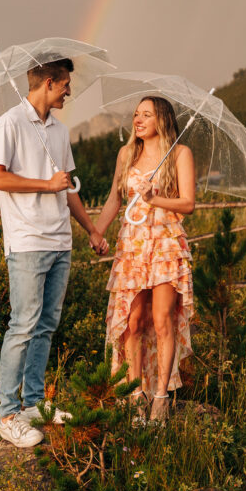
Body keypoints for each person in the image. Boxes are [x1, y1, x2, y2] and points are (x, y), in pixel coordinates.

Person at [0, 56, 109, 448]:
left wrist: (90, 229)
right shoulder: (9, 122)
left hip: (60, 242)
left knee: (45, 326)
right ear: (50, 82)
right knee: (22, 325)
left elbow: (68, 188)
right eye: (66, 84)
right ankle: (8, 414)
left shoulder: (59, 130)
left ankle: (35, 404)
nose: (70, 91)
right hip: (26, 241)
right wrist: (45, 184)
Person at [93, 96, 195, 423]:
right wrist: (97, 231)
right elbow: (114, 198)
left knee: (163, 320)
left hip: (165, 242)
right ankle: (136, 395)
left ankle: (161, 397)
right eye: (136, 114)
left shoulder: (180, 153)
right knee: (133, 323)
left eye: (146, 115)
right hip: (132, 245)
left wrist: (156, 198)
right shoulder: (127, 154)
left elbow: (188, 203)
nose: (138, 120)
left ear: (162, 119)